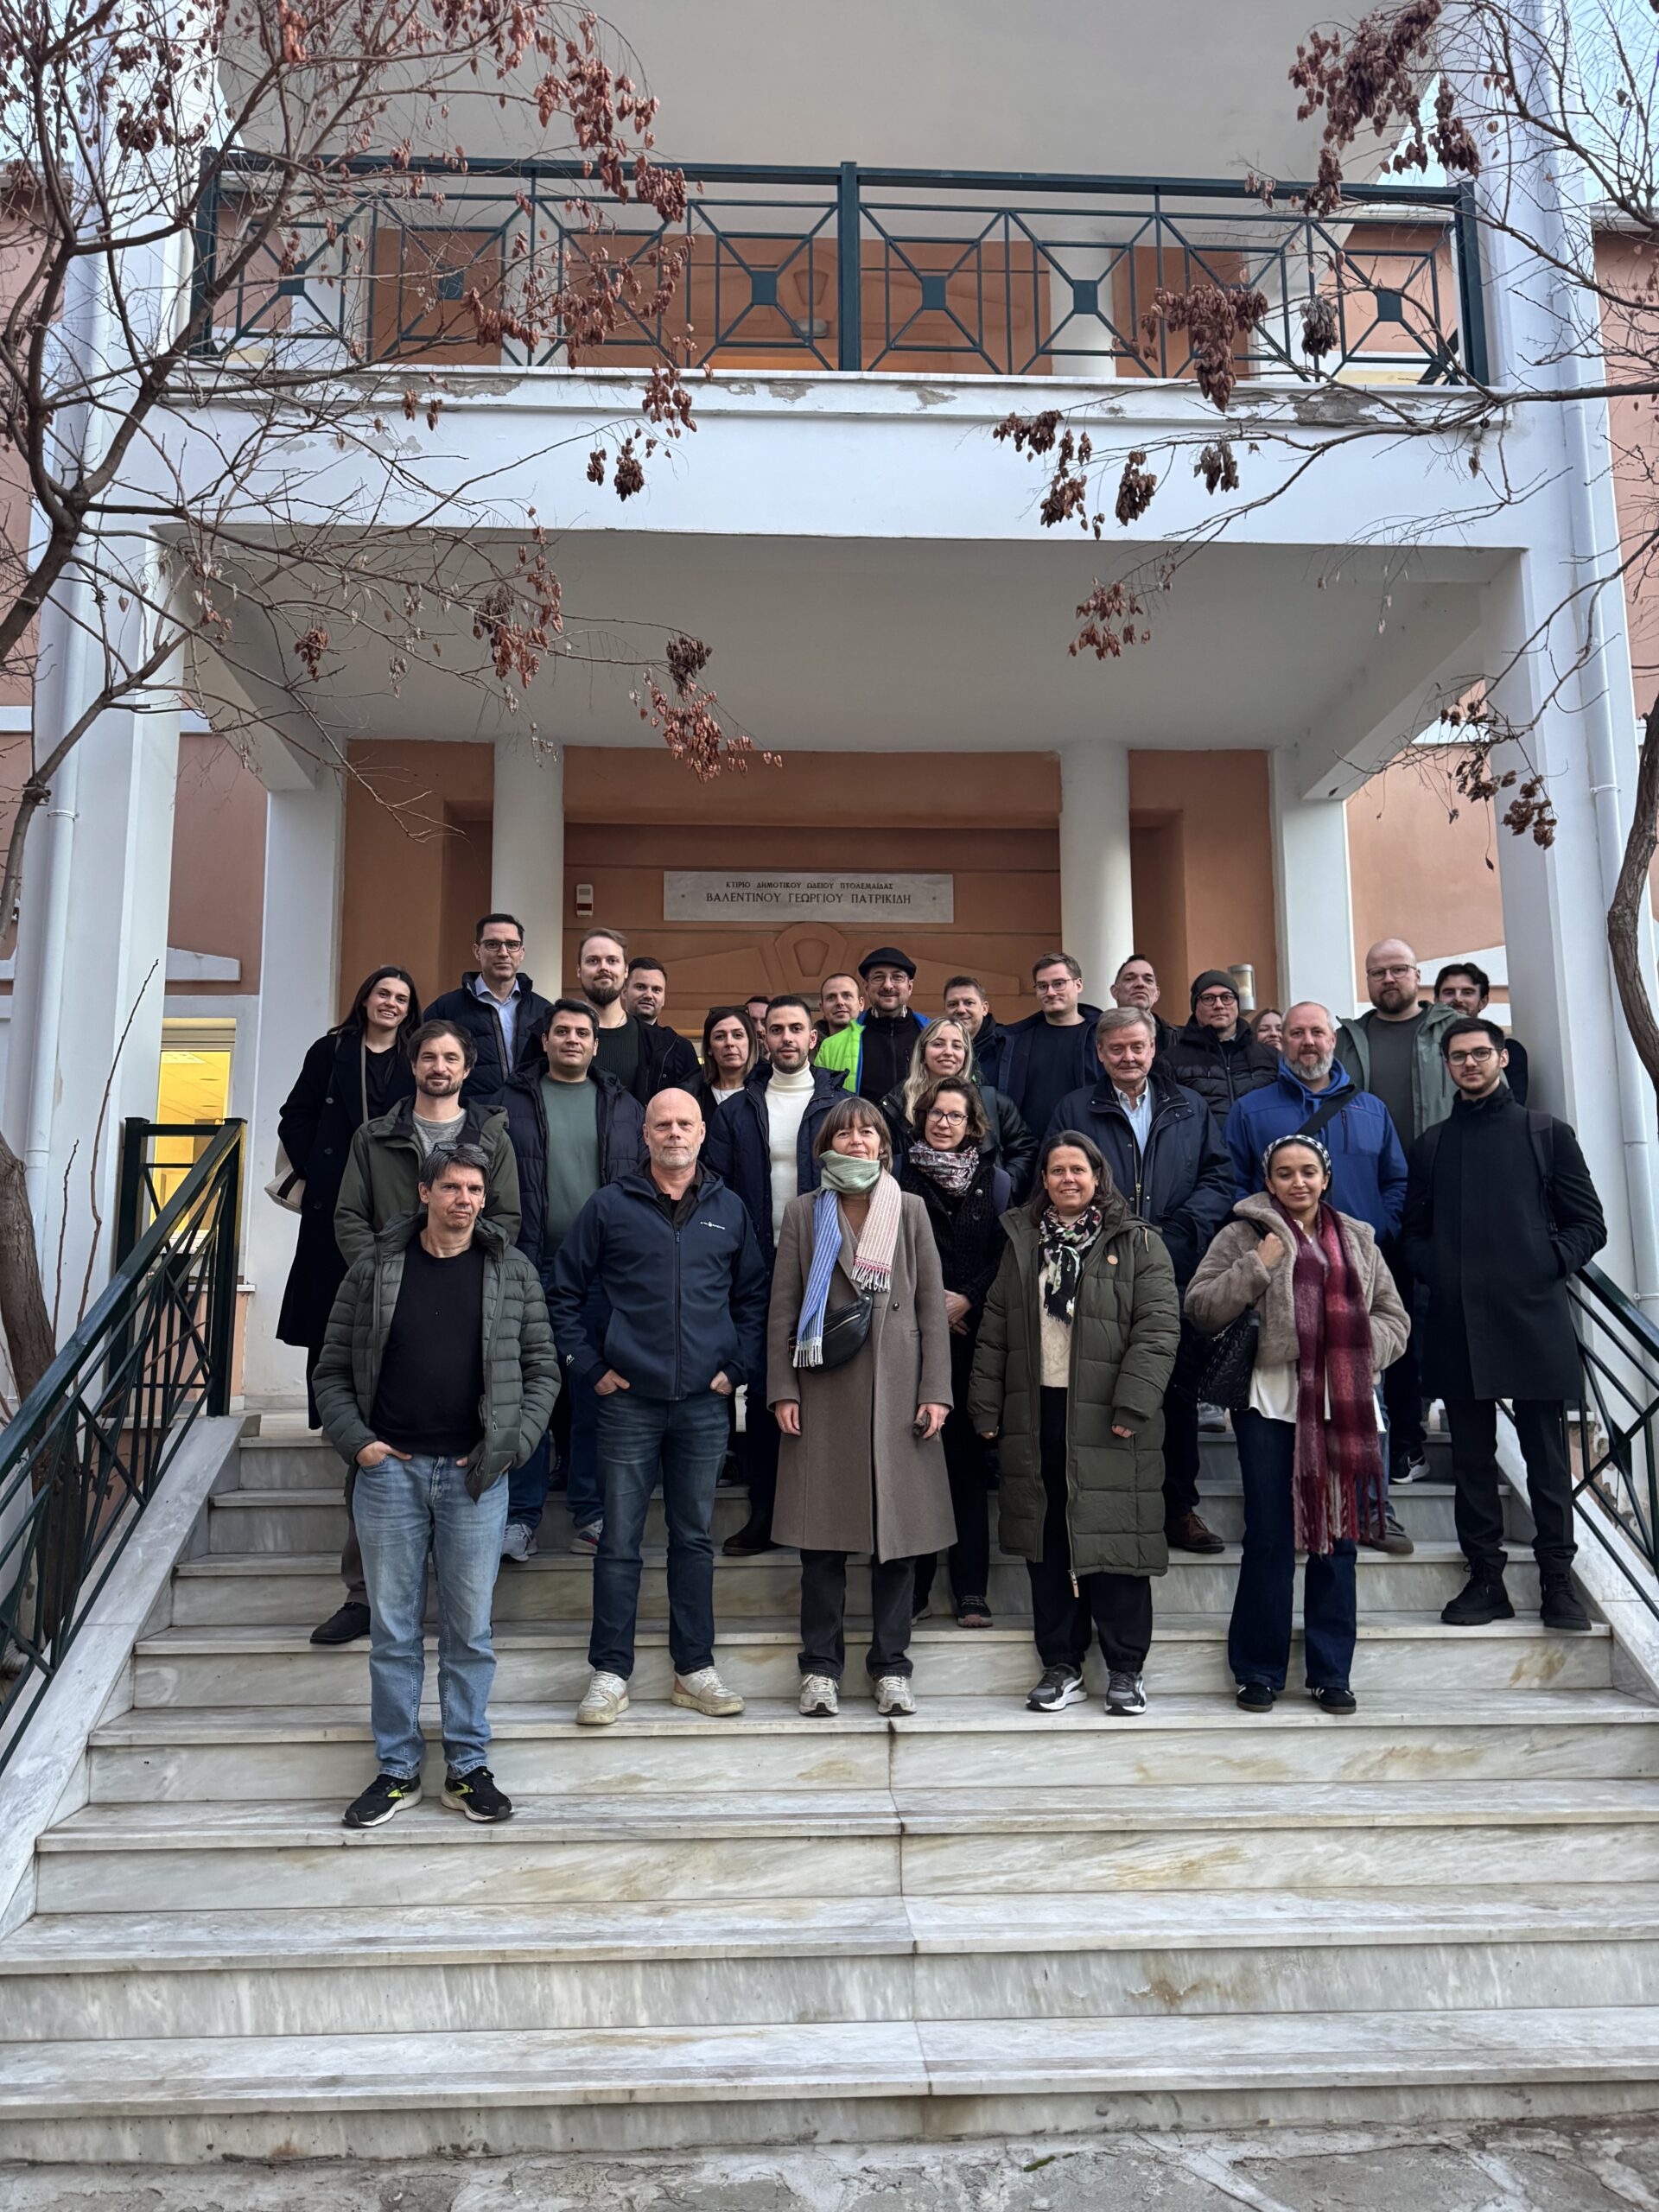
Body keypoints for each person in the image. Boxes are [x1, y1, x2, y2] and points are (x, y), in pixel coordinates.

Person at [314, 1145, 558, 1828]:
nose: (465, 1200)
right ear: (424, 1193)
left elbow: (542, 1369)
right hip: (388, 1475)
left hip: (474, 1480)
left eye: (475, 1189)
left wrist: (510, 1446)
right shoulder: (376, 1267)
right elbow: (330, 1370)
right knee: (393, 1632)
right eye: (451, 1187)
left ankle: (466, 1766)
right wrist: (359, 1445)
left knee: (469, 1632)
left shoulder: (510, 1270)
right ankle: (396, 1770)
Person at [549, 1090, 768, 1726]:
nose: (674, 1133)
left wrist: (736, 1369)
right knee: (618, 1541)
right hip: (628, 1404)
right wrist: (590, 1368)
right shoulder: (609, 1206)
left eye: (684, 1124)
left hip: (703, 1405)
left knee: (693, 1539)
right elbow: (562, 1294)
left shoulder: (729, 1208)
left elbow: (754, 1299)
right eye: (662, 1124)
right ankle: (610, 1674)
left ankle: (693, 1669)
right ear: (643, 1134)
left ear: (701, 1133)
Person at [311, 1018, 522, 1645]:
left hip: (467, 1292)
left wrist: (463, 1261)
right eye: (429, 1056)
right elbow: (348, 1215)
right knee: (375, 1431)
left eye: (451, 1057)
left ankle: (463, 1603)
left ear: (467, 1068)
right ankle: (362, 1596)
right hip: (384, 1305)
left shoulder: (492, 1134)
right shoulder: (375, 1135)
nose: (439, 1066)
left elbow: (508, 1216)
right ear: (414, 1065)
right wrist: (384, 1272)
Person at [1186, 1134, 1408, 1715]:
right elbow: (1201, 1306)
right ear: (1269, 1181)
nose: (1298, 1182)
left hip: (1344, 1404)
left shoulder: (1358, 1238)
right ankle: (1257, 1670)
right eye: (1284, 1173)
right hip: (1270, 1404)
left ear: (1325, 1178)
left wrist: (1355, 1344)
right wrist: (1256, 1268)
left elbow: (1395, 1318)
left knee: (1338, 1538)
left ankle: (1331, 1672)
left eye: (1308, 1171)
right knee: (1269, 1538)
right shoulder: (1243, 1234)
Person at [1402, 1016, 1606, 1633]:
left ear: (1502, 1058)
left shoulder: (1547, 1133)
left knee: (1547, 1458)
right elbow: (1413, 1232)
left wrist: (1543, 1263)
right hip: (1458, 1319)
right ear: (1446, 1065)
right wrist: (1440, 1271)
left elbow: (1589, 1224)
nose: (1469, 1063)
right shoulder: (1432, 1144)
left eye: (1480, 1053)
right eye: (1458, 1056)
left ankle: (1557, 1582)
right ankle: (1485, 1579)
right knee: (1470, 1458)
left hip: (1533, 1315)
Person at [970, 1131, 1179, 1717]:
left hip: (1111, 1416)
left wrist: (1133, 1405)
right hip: (1037, 1410)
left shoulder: (1138, 1242)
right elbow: (995, 1328)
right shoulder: (1022, 1241)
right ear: (1044, 1179)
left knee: (1115, 1541)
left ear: (1097, 1177)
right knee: (1048, 1542)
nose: (1067, 1179)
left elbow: (1158, 1328)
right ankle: (1061, 1666)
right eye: (1057, 1170)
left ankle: (1125, 1670)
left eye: (1077, 1170)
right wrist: (985, 1406)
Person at [766, 1095, 954, 1716]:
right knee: (821, 1544)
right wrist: (782, 1389)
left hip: (899, 1391)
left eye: (867, 1132)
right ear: (826, 1147)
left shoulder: (910, 1209)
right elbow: (783, 1308)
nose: (856, 1141)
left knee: (896, 1541)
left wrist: (936, 1391)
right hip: (823, 1389)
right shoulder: (804, 1212)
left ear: (883, 1145)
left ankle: (891, 1668)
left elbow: (931, 1308)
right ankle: (819, 1669)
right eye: (844, 1133)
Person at [1223, 1001, 1414, 1553]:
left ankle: (1372, 1508)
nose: (1308, 1042)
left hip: (1353, 1275)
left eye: (1318, 1032)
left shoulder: (1371, 1109)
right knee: (1283, 1407)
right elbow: (1233, 1179)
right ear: (1280, 1041)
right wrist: (1262, 1244)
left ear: (1334, 1039)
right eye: (1297, 1033)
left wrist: (1378, 1229)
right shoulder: (1251, 1109)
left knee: (1363, 1397)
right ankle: (1282, 1514)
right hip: (1281, 1280)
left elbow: (1396, 1180)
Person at [1045, 1007, 1233, 1554]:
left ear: (1153, 1049)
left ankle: (1179, 1509)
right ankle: (1106, 1509)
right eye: (1116, 1049)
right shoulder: (1075, 1108)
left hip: (1171, 1266)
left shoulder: (1189, 1106)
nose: (1128, 1057)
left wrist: (1178, 1232)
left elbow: (1218, 1177)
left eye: (1137, 1047)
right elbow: (1059, 1176)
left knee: (1173, 1389)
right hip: (1096, 1268)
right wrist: (1111, 1233)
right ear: (1100, 1054)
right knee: (1100, 1390)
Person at [501, 999, 645, 1560]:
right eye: (561, 1031)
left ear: (594, 1044)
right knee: (529, 1391)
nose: (571, 1040)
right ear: (544, 1041)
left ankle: (590, 1513)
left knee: (595, 1390)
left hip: (600, 1271)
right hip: (529, 1263)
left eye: (582, 1032)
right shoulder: (508, 1102)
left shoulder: (624, 1106)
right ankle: (520, 1518)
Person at [703, 995, 847, 1555]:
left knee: (830, 1390)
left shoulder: (841, 1106)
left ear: (813, 1038)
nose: (787, 1037)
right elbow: (714, 1188)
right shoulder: (738, 1110)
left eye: (797, 1029)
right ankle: (764, 1515)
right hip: (759, 1269)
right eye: (778, 1029)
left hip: (830, 1265)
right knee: (766, 1392)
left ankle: (829, 1514)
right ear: (765, 1038)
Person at [1337, 940, 1459, 1491]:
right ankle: (1373, 1443)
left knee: (1419, 1324)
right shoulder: (1348, 1039)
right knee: (1374, 1324)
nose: (1388, 979)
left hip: (1439, 1199)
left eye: (1398, 970)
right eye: (1377, 972)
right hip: (1371, 1208)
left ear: (1417, 973)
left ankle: (1409, 1441)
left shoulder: (1450, 1032)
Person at [276, 964, 421, 1428]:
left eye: (401, 998)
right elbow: (296, 1115)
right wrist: (317, 1170)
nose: (391, 1003)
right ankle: (326, 1414)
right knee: (329, 1306)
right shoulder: (331, 1050)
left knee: (393, 1304)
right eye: (383, 993)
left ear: (409, 1010)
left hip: (396, 1196)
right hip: (334, 1196)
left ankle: (384, 1414)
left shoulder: (415, 1057)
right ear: (364, 999)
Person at [900, 1077, 1010, 1627]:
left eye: (956, 1116)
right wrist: (932, 1307)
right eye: (936, 1114)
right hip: (911, 1341)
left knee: (966, 1465)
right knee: (916, 1465)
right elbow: (886, 1255)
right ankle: (914, 1590)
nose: (944, 1123)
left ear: (973, 1126)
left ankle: (971, 1591)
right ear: (922, 1118)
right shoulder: (896, 1177)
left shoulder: (997, 1181)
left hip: (973, 1338)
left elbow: (1006, 1254)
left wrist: (967, 1298)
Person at [880, 1014, 1036, 1197]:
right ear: (922, 1054)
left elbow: (1025, 1149)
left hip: (981, 1207)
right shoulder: (895, 1106)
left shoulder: (991, 1102)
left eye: (957, 1046)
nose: (948, 1052)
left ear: (966, 1056)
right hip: (914, 1205)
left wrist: (1001, 1188)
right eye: (938, 1044)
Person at [423, 915, 554, 1109]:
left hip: (529, 1116)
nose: (503, 953)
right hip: (470, 1118)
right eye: (493, 944)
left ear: (522, 953)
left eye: (512, 945)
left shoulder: (543, 1011)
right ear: (477, 951)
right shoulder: (446, 1009)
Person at [575, 927, 700, 1104]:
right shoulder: (550, 1033)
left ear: (624, 970)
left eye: (612, 960)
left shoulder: (668, 1044)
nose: (603, 967)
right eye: (593, 960)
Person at [996, 953, 1103, 1145]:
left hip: (1089, 1148)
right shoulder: (1015, 1041)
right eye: (1042, 986)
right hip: (1030, 1151)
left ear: (1078, 985)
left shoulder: (1102, 1038)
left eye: (1059, 983)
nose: (1051, 992)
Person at [1164, 970, 1279, 1135]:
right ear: (1195, 1006)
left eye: (1226, 997)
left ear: (1237, 1004)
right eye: (1208, 998)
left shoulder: (1271, 1058)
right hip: (1203, 1150)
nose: (1219, 1005)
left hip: (1261, 1148)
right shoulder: (1172, 1061)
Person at [813, 946, 930, 1100]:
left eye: (897, 977)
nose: (887, 985)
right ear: (866, 987)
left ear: (910, 987)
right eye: (878, 977)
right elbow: (822, 1104)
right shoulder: (831, 1047)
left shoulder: (933, 1036)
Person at [1434, 961, 1529, 1103]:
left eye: (1467, 992)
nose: (1458, 998)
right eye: (1449, 992)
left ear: (1483, 1002)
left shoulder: (1510, 1050)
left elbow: (1513, 1107)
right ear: (1436, 1001)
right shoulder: (1424, 1051)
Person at [944, 974, 1007, 1090]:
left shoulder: (1006, 1046)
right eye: (953, 1004)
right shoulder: (938, 1049)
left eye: (969, 1003)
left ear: (984, 1008)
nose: (961, 1010)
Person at [1110, 954, 1178, 1054]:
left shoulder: (1179, 1039)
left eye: (1148, 980)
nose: (1140, 984)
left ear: (1156, 994)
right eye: (1129, 979)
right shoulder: (1094, 1035)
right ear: (1115, 992)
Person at [699, 1004, 760, 1111]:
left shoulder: (768, 1089)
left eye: (738, 1035)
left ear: (750, 1043)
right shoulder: (693, 1094)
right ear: (709, 1048)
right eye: (720, 1037)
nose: (729, 1043)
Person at [817, 972, 863, 1047]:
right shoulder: (807, 1047)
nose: (840, 1002)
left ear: (861, 1004)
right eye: (831, 998)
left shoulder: (878, 1043)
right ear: (822, 1008)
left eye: (847, 996)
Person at [621, 956, 669, 1025]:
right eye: (640, 987)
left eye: (656, 990)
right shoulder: (605, 1031)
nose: (648, 995)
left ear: (664, 999)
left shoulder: (670, 1033)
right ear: (624, 991)